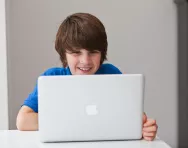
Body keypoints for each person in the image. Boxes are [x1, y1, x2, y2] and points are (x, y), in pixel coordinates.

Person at [16, 12, 158, 141]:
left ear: (102, 53)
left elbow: (135, 118)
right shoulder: (51, 78)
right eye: (76, 53)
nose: (85, 61)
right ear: (63, 54)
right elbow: (23, 121)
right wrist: (75, 120)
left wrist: (145, 128)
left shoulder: (111, 74)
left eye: (93, 52)